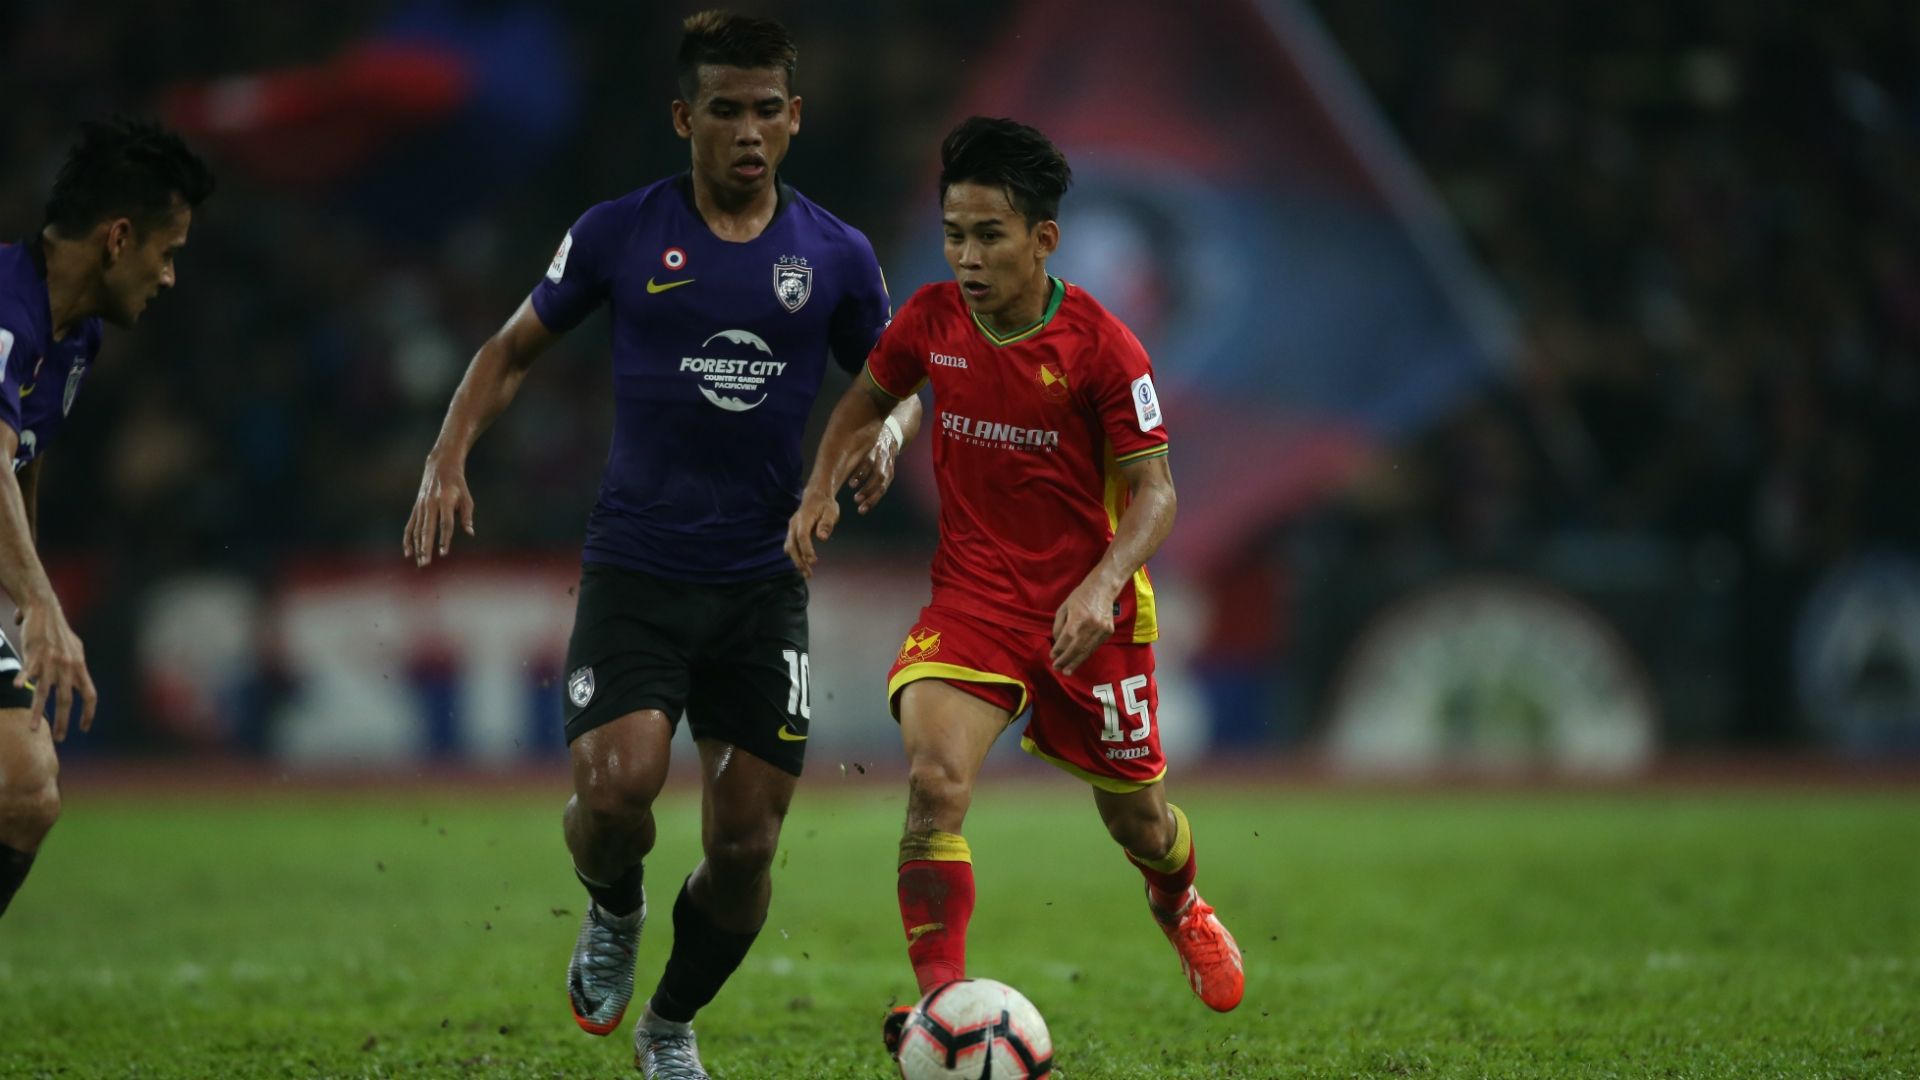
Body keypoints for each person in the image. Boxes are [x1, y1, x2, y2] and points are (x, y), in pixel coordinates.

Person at [402, 11, 919, 1078]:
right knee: (615, 790)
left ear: (796, 119)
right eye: (724, 110)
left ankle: (671, 1024)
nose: (747, 131)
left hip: (764, 584)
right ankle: (615, 906)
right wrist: (448, 454)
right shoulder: (618, 234)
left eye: (767, 111)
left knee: (744, 848)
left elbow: (893, 383)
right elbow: (508, 351)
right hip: (639, 569)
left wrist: (889, 442)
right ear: (684, 116)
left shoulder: (835, 254)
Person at [787, 115, 1245, 1059]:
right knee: (932, 783)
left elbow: (1158, 495)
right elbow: (866, 403)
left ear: (1044, 239)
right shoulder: (929, 320)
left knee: (1141, 820)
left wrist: (1101, 584)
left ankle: (1181, 901)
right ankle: (942, 1007)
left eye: (988, 235)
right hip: (973, 602)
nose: (966, 256)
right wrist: (822, 486)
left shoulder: (1105, 348)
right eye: (954, 234)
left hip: (1092, 611)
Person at [0, 118, 214, 920]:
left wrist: (26, 600)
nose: (168, 277)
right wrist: (43, 607)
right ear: (119, 238)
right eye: (169, 251)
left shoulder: (74, 335)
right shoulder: (7, 313)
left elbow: (21, 455)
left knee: (25, 790)